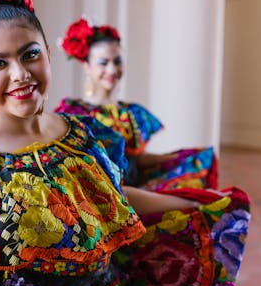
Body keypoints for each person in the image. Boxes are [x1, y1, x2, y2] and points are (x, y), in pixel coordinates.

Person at [0, 0, 250, 286]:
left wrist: (191, 203)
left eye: (30, 54)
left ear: (48, 56)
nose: (20, 73)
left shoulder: (81, 134)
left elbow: (113, 197)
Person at [55, 17, 218, 192]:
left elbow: (137, 160)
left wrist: (174, 157)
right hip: (100, 192)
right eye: (103, 63)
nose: (112, 70)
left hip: (134, 186)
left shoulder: (132, 113)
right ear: (87, 66)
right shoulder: (73, 112)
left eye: (117, 61)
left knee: (198, 166)